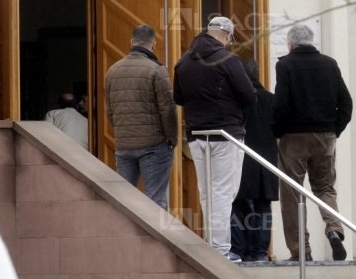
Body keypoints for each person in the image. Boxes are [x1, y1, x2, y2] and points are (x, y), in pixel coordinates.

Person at [174, 16, 256, 262]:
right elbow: (249, 95)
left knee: (207, 192)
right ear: (226, 35)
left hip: (197, 135)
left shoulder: (184, 62)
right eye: (231, 38)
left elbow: (178, 98)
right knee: (223, 192)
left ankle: (212, 244)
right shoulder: (228, 60)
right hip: (226, 133)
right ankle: (220, 250)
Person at [272, 23, 354, 261]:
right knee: (325, 188)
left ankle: (301, 251)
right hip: (325, 136)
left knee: (292, 194)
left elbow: (281, 104)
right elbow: (346, 103)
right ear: (311, 41)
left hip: (293, 138)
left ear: (290, 44)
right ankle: (334, 229)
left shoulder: (285, 65)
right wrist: (334, 130)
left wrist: (277, 131)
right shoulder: (330, 64)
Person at [104, 24, 178, 209]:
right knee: (155, 200)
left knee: (124, 202)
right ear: (153, 44)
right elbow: (167, 109)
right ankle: (154, 239)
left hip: (124, 146)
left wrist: (124, 132)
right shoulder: (156, 70)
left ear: (131, 42)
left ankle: (125, 237)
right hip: (154, 146)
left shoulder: (113, 71)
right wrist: (172, 139)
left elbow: (110, 111)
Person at [230, 59, 278, 263]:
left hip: (240, 160)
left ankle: (239, 249)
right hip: (266, 161)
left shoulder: (235, 101)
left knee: (237, 204)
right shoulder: (271, 100)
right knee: (262, 206)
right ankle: (259, 251)